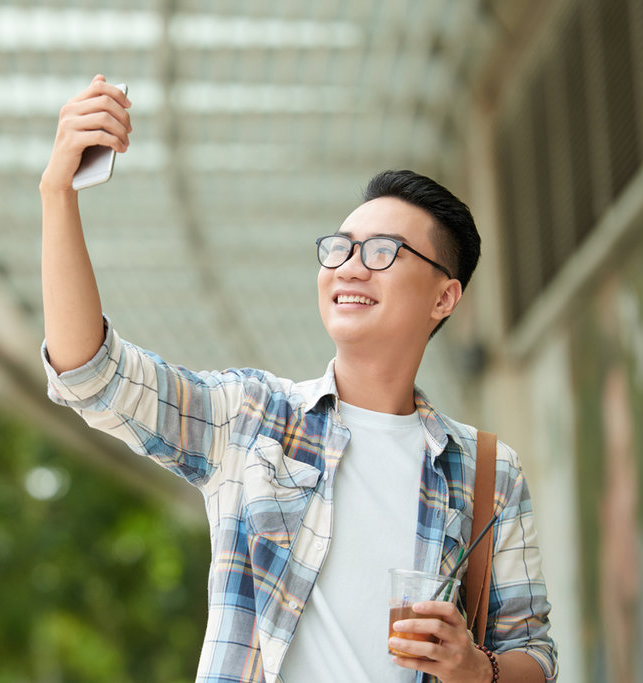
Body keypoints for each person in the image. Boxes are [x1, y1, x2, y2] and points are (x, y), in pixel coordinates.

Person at [39, 75, 557, 683]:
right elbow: (93, 377)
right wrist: (57, 194)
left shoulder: (487, 471)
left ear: (445, 297)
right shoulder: (252, 418)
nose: (349, 267)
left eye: (383, 251)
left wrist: (476, 668)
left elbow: (536, 655)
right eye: (339, 248)